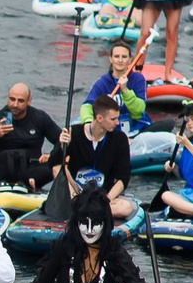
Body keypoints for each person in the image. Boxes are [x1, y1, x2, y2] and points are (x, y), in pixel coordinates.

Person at [47, 93, 138, 224]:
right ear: (99, 118)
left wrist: (107, 199)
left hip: (103, 197)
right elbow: (53, 163)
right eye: (113, 119)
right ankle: (74, 204)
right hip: (76, 192)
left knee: (125, 208)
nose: (117, 123)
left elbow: (123, 177)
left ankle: (87, 212)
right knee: (57, 168)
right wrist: (62, 146)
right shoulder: (74, 133)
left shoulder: (120, 139)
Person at [0, 82, 49, 193]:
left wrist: (50, 155)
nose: (15, 105)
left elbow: (61, 140)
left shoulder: (39, 117)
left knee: (58, 164)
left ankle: (29, 183)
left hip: (30, 168)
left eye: (20, 101)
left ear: (29, 101)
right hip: (2, 168)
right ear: (7, 98)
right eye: (12, 99)